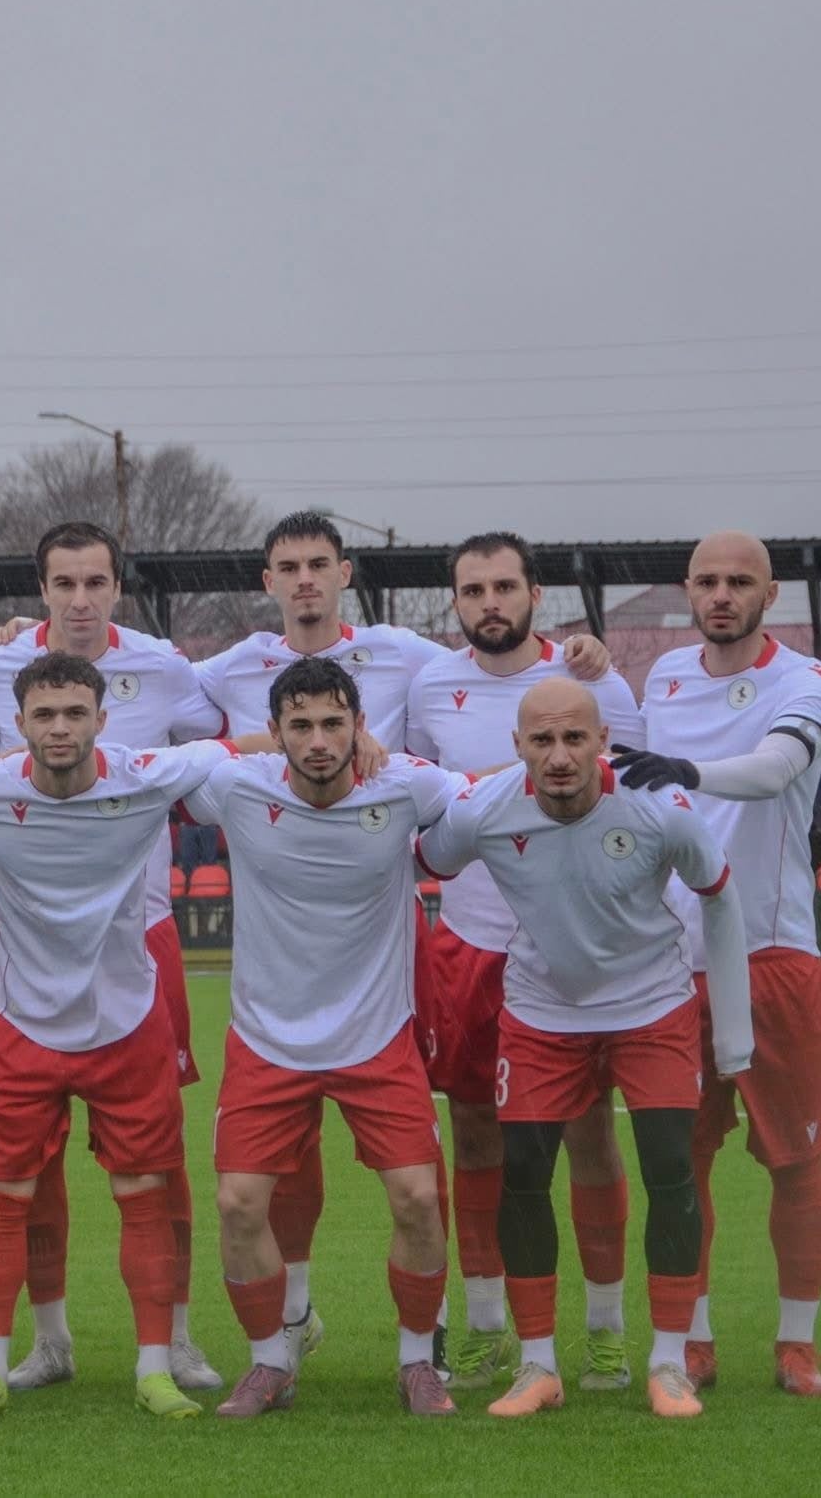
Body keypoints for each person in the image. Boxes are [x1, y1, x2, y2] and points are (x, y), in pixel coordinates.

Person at [190, 510, 610, 1363]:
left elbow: (495, 670)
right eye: (287, 566)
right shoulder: (227, 669)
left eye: (319, 563)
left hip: (388, 938)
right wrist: (289, 740)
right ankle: (294, 1317)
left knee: (450, 1148)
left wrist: (575, 652)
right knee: (280, 1156)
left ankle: (451, 1329)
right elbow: (142, 715)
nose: (304, 579)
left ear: (345, 573)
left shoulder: (406, 658)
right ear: (266, 581)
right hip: (281, 941)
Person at [419, 679, 753, 1420]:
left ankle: (668, 1363)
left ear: (603, 739)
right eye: (542, 740)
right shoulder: (486, 808)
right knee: (524, 1177)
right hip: (541, 1013)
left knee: (672, 1170)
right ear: (517, 748)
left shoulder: (658, 807)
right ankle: (538, 1365)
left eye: (576, 738)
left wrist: (733, 1032)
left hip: (652, 1009)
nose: (560, 756)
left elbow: (720, 893)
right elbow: (419, 859)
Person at [0, 650, 237, 1424]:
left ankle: (155, 1369)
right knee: (5, 1200)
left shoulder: (145, 774)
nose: (59, 727)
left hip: (126, 1023)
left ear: (102, 719)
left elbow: (240, 749)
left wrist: (361, 745)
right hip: (17, 1024)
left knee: (143, 1197)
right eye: (44, 714)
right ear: (18, 723)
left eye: (75, 713)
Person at [193, 659, 464, 1420]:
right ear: (276, 733)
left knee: (417, 1196)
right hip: (266, 1039)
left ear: (360, 726)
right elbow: (124, 764)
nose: (318, 741)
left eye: (334, 723)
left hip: (377, 1036)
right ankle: (271, 1361)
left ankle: (419, 1361)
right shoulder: (237, 786)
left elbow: (502, 787)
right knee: (238, 1204)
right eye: (301, 725)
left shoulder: (409, 785)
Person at [401, 532, 636, 1395]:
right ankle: (488, 1326)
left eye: (505, 585)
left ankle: (606, 1332)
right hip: (469, 942)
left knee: (590, 1133)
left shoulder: (594, 679)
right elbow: (423, 801)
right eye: (472, 590)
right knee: (474, 1132)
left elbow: (632, 795)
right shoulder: (430, 684)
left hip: (574, 945)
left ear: (535, 593)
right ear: (456, 602)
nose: (489, 602)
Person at [613, 529, 821, 1400]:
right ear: (686, 588)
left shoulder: (806, 680)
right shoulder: (662, 676)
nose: (721, 594)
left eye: (739, 581)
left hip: (771, 951)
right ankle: (692, 1337)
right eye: (707, 580)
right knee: (680, 1161)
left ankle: (797, 1343)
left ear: (768, 594)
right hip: (672, 960)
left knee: (795, 1159)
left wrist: (688, 769)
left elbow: (777, 767)